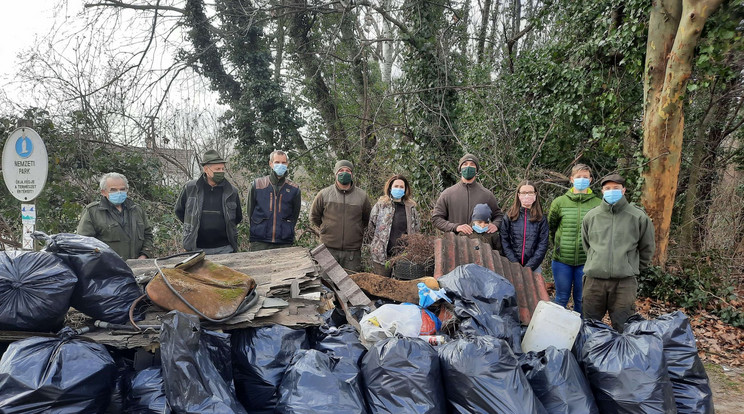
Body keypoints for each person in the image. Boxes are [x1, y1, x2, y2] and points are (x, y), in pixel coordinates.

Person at [582, 173, 655, 331]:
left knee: (624, 326)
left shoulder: (638, 217)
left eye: (616, 188)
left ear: (623, 190)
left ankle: (621, 355)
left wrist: (629, 267)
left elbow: (647, 248)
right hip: (594, 281)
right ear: (602, 191)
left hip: (624, 283)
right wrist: (597, 263)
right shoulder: (591, 216)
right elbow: (587, 245)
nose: (611, 191)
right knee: (589, 326)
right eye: (607, 188)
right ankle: (589, 355)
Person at [547, 163, 602, 315]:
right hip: (562, 261)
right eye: (578, 177)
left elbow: (600, 232)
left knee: (581, 299)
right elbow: (552, 227)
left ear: (590, 180)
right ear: (571, 179)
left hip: (586, 262)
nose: (582, 180)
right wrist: (559, 246)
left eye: (585, 177)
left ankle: (580, 333)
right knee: (561, 298)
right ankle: (557, 333)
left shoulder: (598, 204)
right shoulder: (559, 202)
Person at [175, 149, 243, 254]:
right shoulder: (190, 188)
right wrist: (193, 225)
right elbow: (179, 211)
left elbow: (237, 217)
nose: (221, 172)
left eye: (222, 169)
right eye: (217, 169)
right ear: (206, 169)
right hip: (196, 248)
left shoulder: (231, 191)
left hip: (225, 248)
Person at [310, 160, 372, 271]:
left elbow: (367, 219)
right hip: (328, 249)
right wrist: (326, 228)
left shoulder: (362, 196)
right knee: (326, 285)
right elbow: (314, 216)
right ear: (335, 173)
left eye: (347, 171)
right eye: (341, 170)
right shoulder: (324, 194)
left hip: (352, 252)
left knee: (351, 286)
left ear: (352, 174)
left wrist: (356, 230)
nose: (344, 173)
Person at [77, 172, 154, 260]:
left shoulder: (136, 210)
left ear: (127, 190)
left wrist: (144, 255)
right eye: (113, 190)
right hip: (107, 268)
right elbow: (83, 243)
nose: (119, 193)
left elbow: (148, 235)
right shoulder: (92, 212)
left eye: (122, 189)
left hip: (137, 267)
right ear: (103, 192)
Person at [432, 153, 503, 235]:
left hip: (481, 244)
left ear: (476, 170)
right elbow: (436, 218)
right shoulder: (447, 194)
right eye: (465, 164)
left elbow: (499, 216)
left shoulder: (487, 195)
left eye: (472, 164)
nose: (468, 167)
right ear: (460, 169)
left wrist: (495, 225)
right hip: (455, 244)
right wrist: (455, 227)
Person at [366, 174, 420, 276]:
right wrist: (375, 246)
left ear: (405, 189)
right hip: (381, 256)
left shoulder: (411, 208)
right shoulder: (381, 205)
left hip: (403, 256)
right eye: (396, 186)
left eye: (401, 187)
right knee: (382, 286)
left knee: (399, 285)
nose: (398, 189)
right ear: (390, 188)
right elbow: (371, 228)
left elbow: (416, 230)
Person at [247, 150, 301, 251]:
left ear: (287, 164)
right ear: (270, 164)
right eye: (277, 162)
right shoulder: (257, 184)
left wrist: (287, 228)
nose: (280, 165)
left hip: (284, 241)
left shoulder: (294, 189)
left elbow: (295, 215)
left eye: (283, 162)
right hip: (259, 241)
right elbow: (250, 211)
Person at [500, 180, 549, 273]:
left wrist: (530, 267)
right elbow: (504, 241)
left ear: (535, 194)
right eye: (523, 192)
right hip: (512, 266)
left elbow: (542, 245)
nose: (527, 195)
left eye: (530, 192)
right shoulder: (509, 216)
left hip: (534, 268)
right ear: (518, 195)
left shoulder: (541, 219)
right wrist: (514, 263)